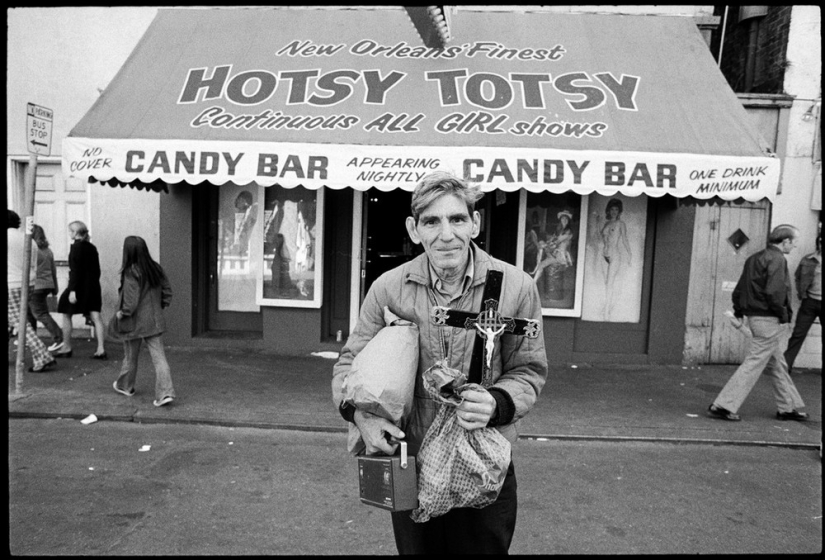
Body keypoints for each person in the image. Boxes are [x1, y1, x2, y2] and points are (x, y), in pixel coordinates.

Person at [331, 171, 548, 555]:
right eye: (431, 221)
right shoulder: (388, 288)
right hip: (410, 460)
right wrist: (362, 418)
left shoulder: (515, 286)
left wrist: (498, 403)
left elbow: (528, 370)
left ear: (475, 223)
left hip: (484, 462)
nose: (445, 234)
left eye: (457, 219)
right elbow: (349, 365)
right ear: (414, 230)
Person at [708, 224, 808, 422]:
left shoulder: (754, 258)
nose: (794, 247)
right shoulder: (778, 259)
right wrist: (784, 317)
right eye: (794, 242)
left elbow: (740, 289)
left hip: (755, 317)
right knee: (754, 363)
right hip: (769, 318)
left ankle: (787, 407)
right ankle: (723, 405)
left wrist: (739, 311)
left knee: (777, 362)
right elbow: (775, 292)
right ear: (785, 241)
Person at [111, 236, 176, 407]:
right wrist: (159, 306)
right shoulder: (155, 268)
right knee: (159, 358)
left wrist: (122, 313)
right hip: (154, 320)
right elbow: (167, 291)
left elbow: (130, 301)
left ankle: (126, 386)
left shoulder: (131, 271)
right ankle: (165, 393)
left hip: (132, 321)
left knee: (131, 356)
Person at [7, 210, 56, 372]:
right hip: (28, 283)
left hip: (11, 283)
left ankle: (42, 355)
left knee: (19, 322)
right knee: (15, 320)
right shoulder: (28, 239)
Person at [53, 220, 106, 359]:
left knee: (65, 312)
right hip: (93, 285)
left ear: (75, 233)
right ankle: (101, 348)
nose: (69, 233)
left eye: (70, 231)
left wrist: (72, 290)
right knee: (96, 316)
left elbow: (76, 271)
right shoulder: (92, 247)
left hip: (79, 286)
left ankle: (66, 346)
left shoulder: (76, 248)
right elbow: (97, 270)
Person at [784, 234, 821, 372]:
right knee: (798, 334)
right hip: (809, 302)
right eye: (821, 241)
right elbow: (798, 277)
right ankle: (785, 366)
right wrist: (802, 293)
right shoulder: (808, 260)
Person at [29, 224, 64, 352]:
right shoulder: (48, 251)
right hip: (47, 285)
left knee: (40, 313)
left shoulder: (32, 251)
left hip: (35, 286)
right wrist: (55, 287)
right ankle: (30, 338)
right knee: (30, 312)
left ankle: (59, 338)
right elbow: (53, 270)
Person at [600, 198, 632, 320]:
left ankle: (607, 311)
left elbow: (624, 239)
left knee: (610, 283)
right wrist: (597, 222)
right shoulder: (606, 223)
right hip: (605, 254)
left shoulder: (620, 224)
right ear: (609, 210)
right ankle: (607, 306)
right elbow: (602, 237)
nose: (614, 211)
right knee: (606, 282)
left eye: (616, 209)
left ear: (619, 211)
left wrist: (630, 254)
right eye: (612, 209)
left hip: (614, 255)